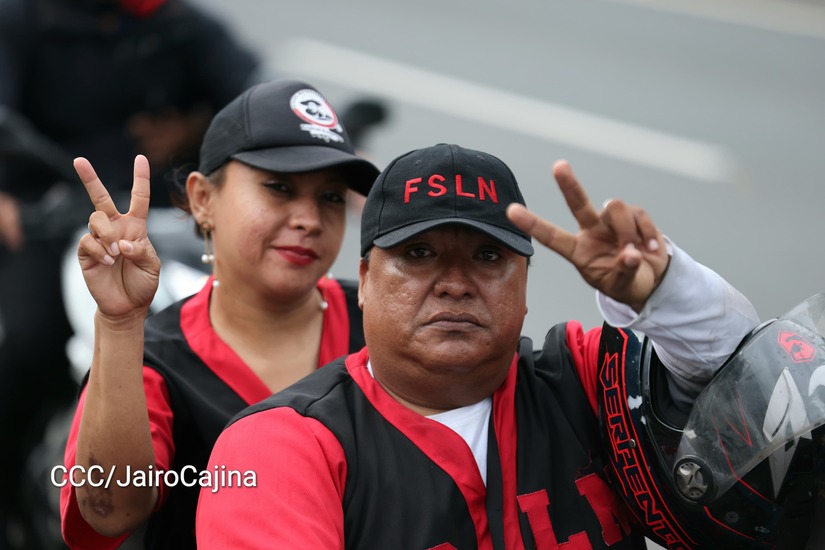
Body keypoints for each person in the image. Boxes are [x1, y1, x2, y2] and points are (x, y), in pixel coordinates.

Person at [195, 143, 760, 549]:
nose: (455, 284)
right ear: (364, 281)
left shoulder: (584, 381)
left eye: (488, 257)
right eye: (418, 254)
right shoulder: (281, 446)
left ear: (525, 285)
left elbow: (743, 372)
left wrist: (663, 292)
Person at [58, 79, 380, 549]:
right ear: (203, 199)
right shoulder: (155, 362)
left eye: (331, 197)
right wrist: (120, 323)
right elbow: (110, 510)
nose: (309, 220)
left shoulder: (381, 325)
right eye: (279, 188)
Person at [0, 1, 260, 544]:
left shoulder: (178, 24)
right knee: (28, 345)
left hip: (156, 221)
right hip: (47, 213)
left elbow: (251, 97)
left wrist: (195, 130)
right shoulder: (22, 20)